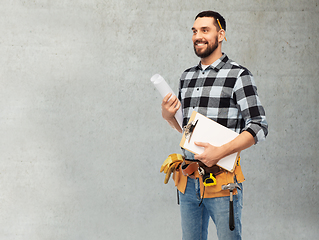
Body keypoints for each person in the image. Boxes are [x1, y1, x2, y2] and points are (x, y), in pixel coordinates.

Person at [161, 10, 268, 240]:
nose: (197, 36)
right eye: (194, 31)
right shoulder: (187, 77)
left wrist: (219, 152)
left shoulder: (238, 75)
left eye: (205, 30)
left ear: (220, 35)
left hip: (222, 183)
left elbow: (259, 126)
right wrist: (168, 116)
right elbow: (186, 129)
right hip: (189, 183)